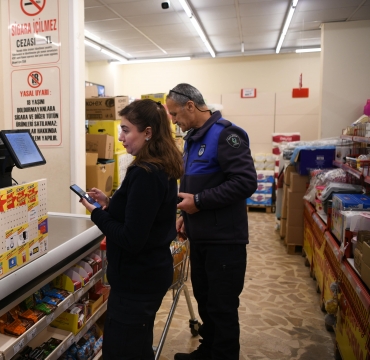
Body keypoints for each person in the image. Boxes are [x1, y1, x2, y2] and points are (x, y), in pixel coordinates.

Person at [79, 99, 183, 360]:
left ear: (147, 132)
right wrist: (110, 203)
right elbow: (145, 213)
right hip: (149, 274)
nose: (120, 137)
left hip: (137, 281)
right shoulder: (160, 164)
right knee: (136, 344)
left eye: (126, 130)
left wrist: (96, 214)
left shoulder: (145, 172)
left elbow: (131, 237)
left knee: (123, 349)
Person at [167, 83, 257, 360]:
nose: (173, 120)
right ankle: (210, 350)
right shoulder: (193, 138)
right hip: (201, 236)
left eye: (174, 114)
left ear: (190, 106)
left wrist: (200, 202)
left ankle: (224, 354)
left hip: (224, 240)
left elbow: (245, 182)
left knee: (222, 305)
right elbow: (194, 184)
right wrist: (185, 214)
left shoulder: (226, 134)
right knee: (205, 300)